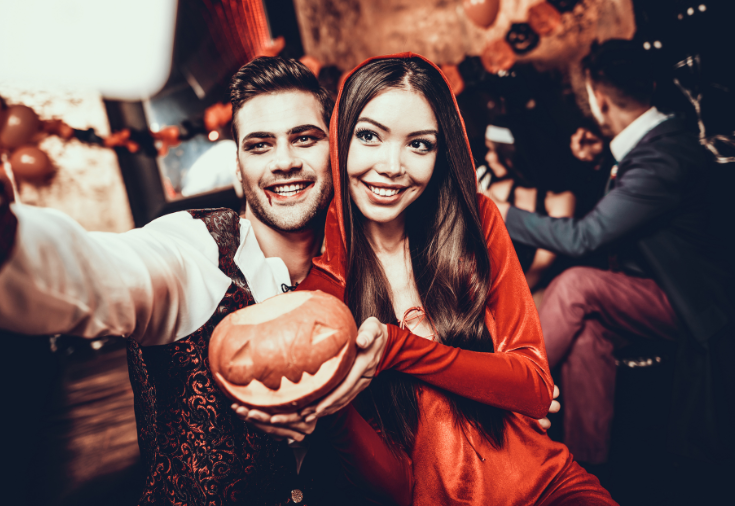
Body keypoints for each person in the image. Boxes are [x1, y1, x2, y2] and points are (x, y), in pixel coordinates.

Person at [0, 57, 344, 505]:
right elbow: (88, 272)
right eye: (259, 145)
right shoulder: (193, 251)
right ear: (238, 164)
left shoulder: (363, 270)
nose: (284, 162)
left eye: (305, 139)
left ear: (335, 151)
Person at [248, 53, 615, 505]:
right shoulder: (321, 296)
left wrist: (398, 347)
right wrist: (330, 408)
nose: (391, 165)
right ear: (340, 140)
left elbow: (535, 388)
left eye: (419, 144)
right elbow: (398, 490)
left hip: (552, 487)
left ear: (441, 152)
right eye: (369, 137)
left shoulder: (476, 224)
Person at [489, 39, 735, 467]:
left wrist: (503, 211)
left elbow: (587, 236)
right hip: (650, 289)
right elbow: (634, 204)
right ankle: (585, 477)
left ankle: (502, 402)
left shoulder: (661, 158)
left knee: (574, 285)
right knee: (586, 340)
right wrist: (601, 158)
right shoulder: (659, 141)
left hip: (690, 299)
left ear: (598, 99)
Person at [479, 114, 576, 294]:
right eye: (487, 149)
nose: (488, 157)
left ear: (515, 152)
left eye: (495, 150)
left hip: (533, 293)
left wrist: (508, 298)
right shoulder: (494, 188)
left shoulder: (560, 199)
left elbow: (541, 265)